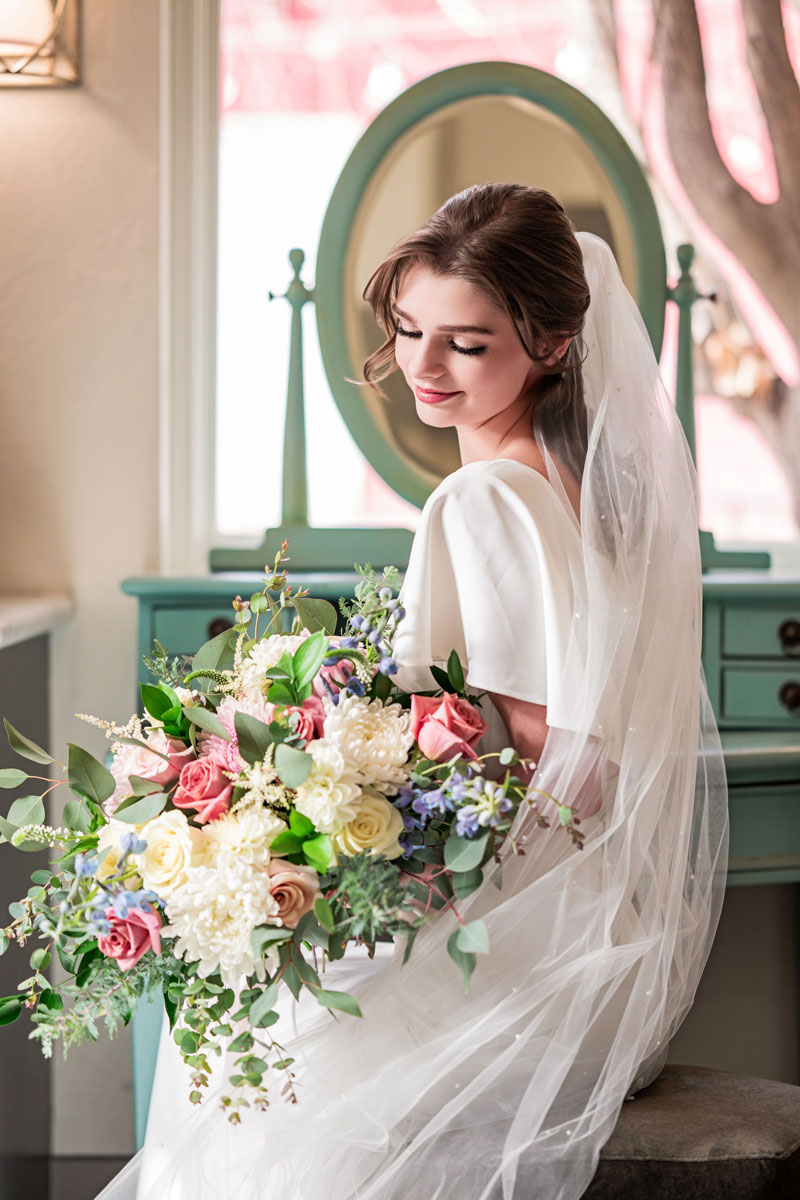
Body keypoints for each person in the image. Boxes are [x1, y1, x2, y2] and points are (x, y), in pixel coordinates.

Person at [98, 183, 728, 1199]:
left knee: (253, 995)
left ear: (553, 343)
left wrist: (420, 894)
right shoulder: (568, 480)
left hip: (534, 965)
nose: (423, 369)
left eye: (466, 345)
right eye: (408, 331)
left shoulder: (485, 494)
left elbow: (573, 764)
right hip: (603, 952)